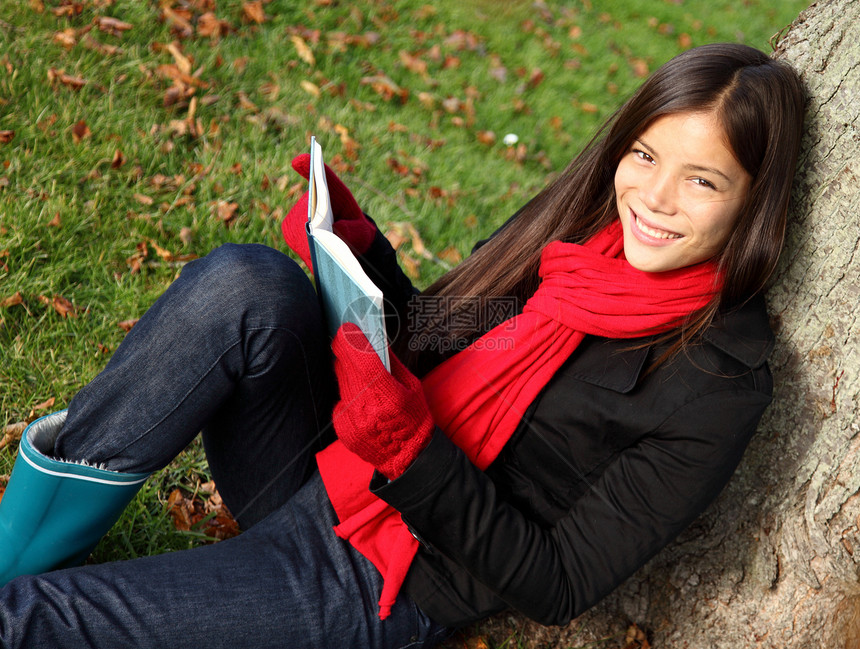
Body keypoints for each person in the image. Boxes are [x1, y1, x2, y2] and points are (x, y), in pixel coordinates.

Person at [0, 42, 804, 648]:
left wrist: (411, 449)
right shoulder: (578, 239)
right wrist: (353, 248)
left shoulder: (718, 382)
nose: (654, 199)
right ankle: (18, 546)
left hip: (385, 573)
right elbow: (430, 338)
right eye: (645, 155)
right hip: (334, 467)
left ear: (753, 204)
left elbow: (558, 583)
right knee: (247, 285)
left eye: (702, 180)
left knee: (38, 621)